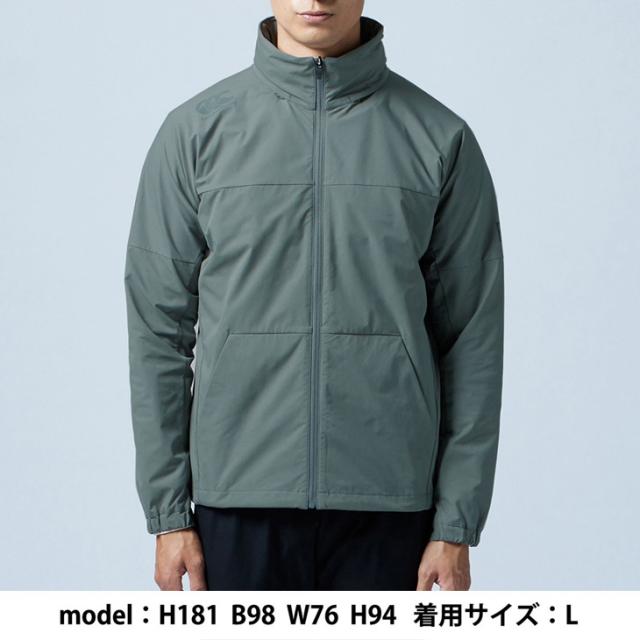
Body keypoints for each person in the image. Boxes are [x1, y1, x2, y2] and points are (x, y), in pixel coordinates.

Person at [124, 0, 504, 591]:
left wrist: (455, 523)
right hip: (236, 503)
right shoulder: (195, 133)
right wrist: (169, 513)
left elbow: (473, 339)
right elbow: (157, 333)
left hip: (390, 507)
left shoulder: (438, 138)